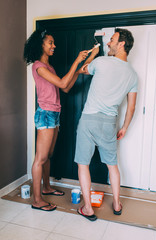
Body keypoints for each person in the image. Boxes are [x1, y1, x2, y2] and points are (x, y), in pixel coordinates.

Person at [75, 28, 138, 221]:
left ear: (121, 45)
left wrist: (92, 55)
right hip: (109, 123)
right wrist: (124, 127)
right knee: (112, 165)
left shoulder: (100, 62)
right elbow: (131, 107)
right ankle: (117, 204)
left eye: (112, 40)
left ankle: (88, 208)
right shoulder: (133, 75)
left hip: (89, 120)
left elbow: (82, 70)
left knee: (83, 164)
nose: (108, 43)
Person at [24, 29, 88, 211]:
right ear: (41, 45)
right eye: (50, 43)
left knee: (48, 156)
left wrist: (78, 71)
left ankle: (46, 187)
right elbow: (61, 83)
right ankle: (37, 201)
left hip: (54, 114)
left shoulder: (50, 67)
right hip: (45, 113)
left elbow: (65, 87)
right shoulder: (38, 66)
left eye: (53, 43)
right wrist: (76, 61)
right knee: (40, 158)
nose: (54, 46)